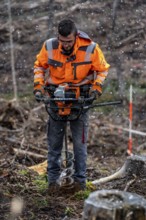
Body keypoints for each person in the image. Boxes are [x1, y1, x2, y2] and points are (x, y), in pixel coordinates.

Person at [33, 19, 110, 193]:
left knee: (79, 145)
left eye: (69, 41)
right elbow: (39, 66)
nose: (65, 45)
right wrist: (38, 87)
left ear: (76, 36)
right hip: (55, 100)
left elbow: (103, 69)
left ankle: (80, 184)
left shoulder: (90, 48)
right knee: (54, 146)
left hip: (80, 101)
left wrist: (96, 88)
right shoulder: (49, 47)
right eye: (62, 41)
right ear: (58, 37)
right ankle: (52, 183)